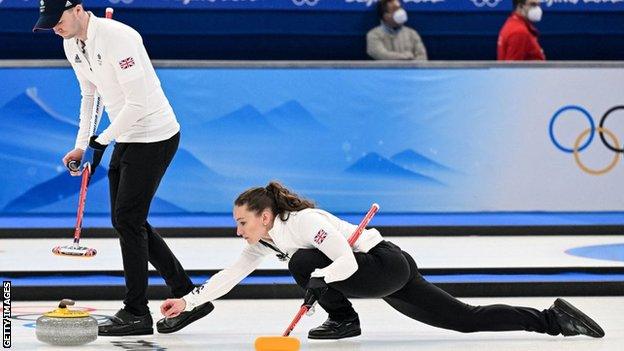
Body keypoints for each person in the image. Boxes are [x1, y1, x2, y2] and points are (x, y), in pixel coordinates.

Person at [159, 181, 605, 340]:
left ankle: (344, 321)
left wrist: (320, 281)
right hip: (381, 277)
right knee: (463, 319)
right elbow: (229, 276)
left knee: (304, 266)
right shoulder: (264, 242)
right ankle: (553, 319)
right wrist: (189, 301)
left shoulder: (305, 222)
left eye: (242, 222)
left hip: (381, 265)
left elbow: (346, 266)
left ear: (266, 215)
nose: (239, 230)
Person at [32, 1, 211, 336]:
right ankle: (187, 293)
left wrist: (103, 141)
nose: (54, 27)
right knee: (129, 219)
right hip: (126, 134)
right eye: (48, 23)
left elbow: (138, 103)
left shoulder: (120, 38)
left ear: (78, 9)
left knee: (127, 219)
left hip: (155, 135)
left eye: (56, 20)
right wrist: (83, 144)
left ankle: (136, 312)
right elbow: (91, 96)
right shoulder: (71, 43)